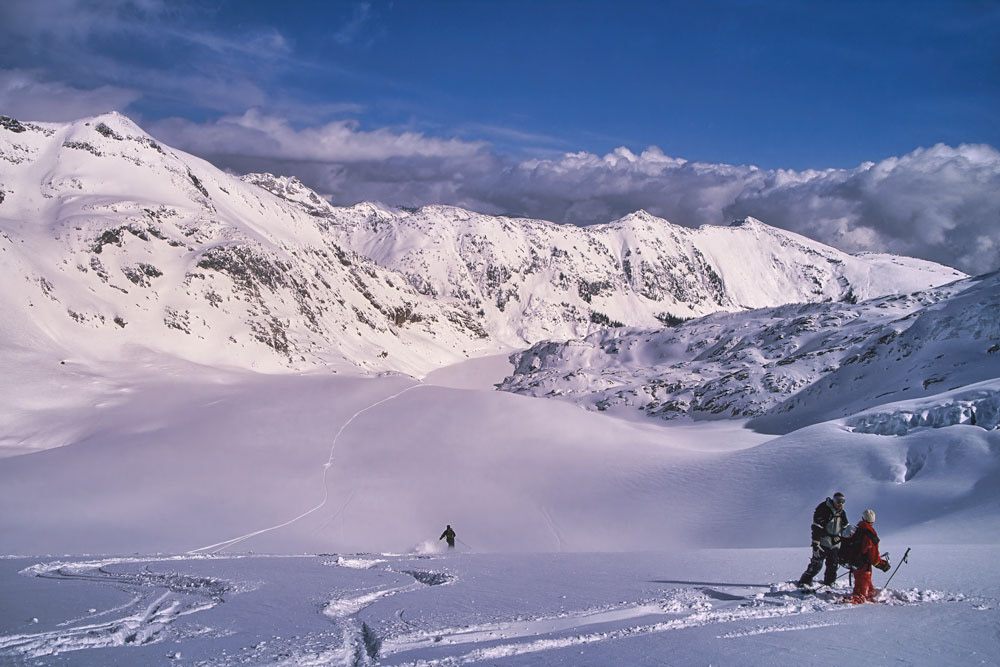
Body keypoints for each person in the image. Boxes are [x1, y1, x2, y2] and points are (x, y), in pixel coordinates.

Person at [797, 492, 850, 587]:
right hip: (823, 541)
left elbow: (846, 527)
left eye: (843, 502)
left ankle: (829, 582)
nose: (840, 504)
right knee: (817, 564)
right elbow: (816, 527)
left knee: (833, 564)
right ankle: (805, 581)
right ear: (833, 501)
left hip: (835, 543)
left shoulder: (842, 513)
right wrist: (815, 543)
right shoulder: (824, 510)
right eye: (838, 501)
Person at [849, 509, 891, 604]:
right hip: (863, 564)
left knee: (865, 584)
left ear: (863, 518)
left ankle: (869, 594)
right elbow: (874, 558)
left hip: (855, 562)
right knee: (860, 591)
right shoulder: (870, 534)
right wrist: (882, 564)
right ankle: (858, 603)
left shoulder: (857, 529)